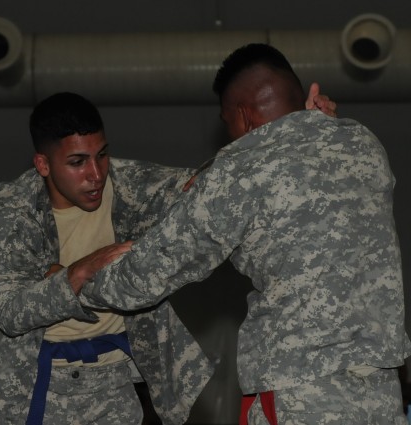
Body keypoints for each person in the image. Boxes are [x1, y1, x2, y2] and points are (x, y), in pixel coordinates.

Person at [80, 43, 410, 424]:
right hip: (381, 392)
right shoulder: (362, 142)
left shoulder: (239, 171)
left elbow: (148, 274)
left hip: (299, 397)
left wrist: (79, 280)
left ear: (244, 115)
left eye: (227, 123)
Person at [0, 88, 334, 425]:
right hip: (29, 387)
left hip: (112, 388)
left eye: (102, 155)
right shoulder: (13, 211)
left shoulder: (132, 185)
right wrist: (77, 274)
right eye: (78, 162)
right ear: (43, 164)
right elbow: (8, 310)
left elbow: (214, 184)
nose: (96, 174)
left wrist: (298, 128)